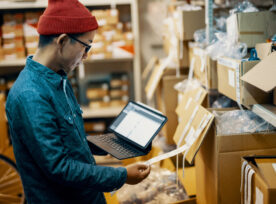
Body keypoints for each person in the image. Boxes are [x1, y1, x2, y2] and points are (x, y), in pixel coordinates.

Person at [5, 0, 150, 203]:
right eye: (85, 47)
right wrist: (122, 176)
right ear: (63, 41)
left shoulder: (57, 78)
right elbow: (59, 167)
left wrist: (113, 144)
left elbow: (68, 139)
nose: (85, 56)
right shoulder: (31, 95)